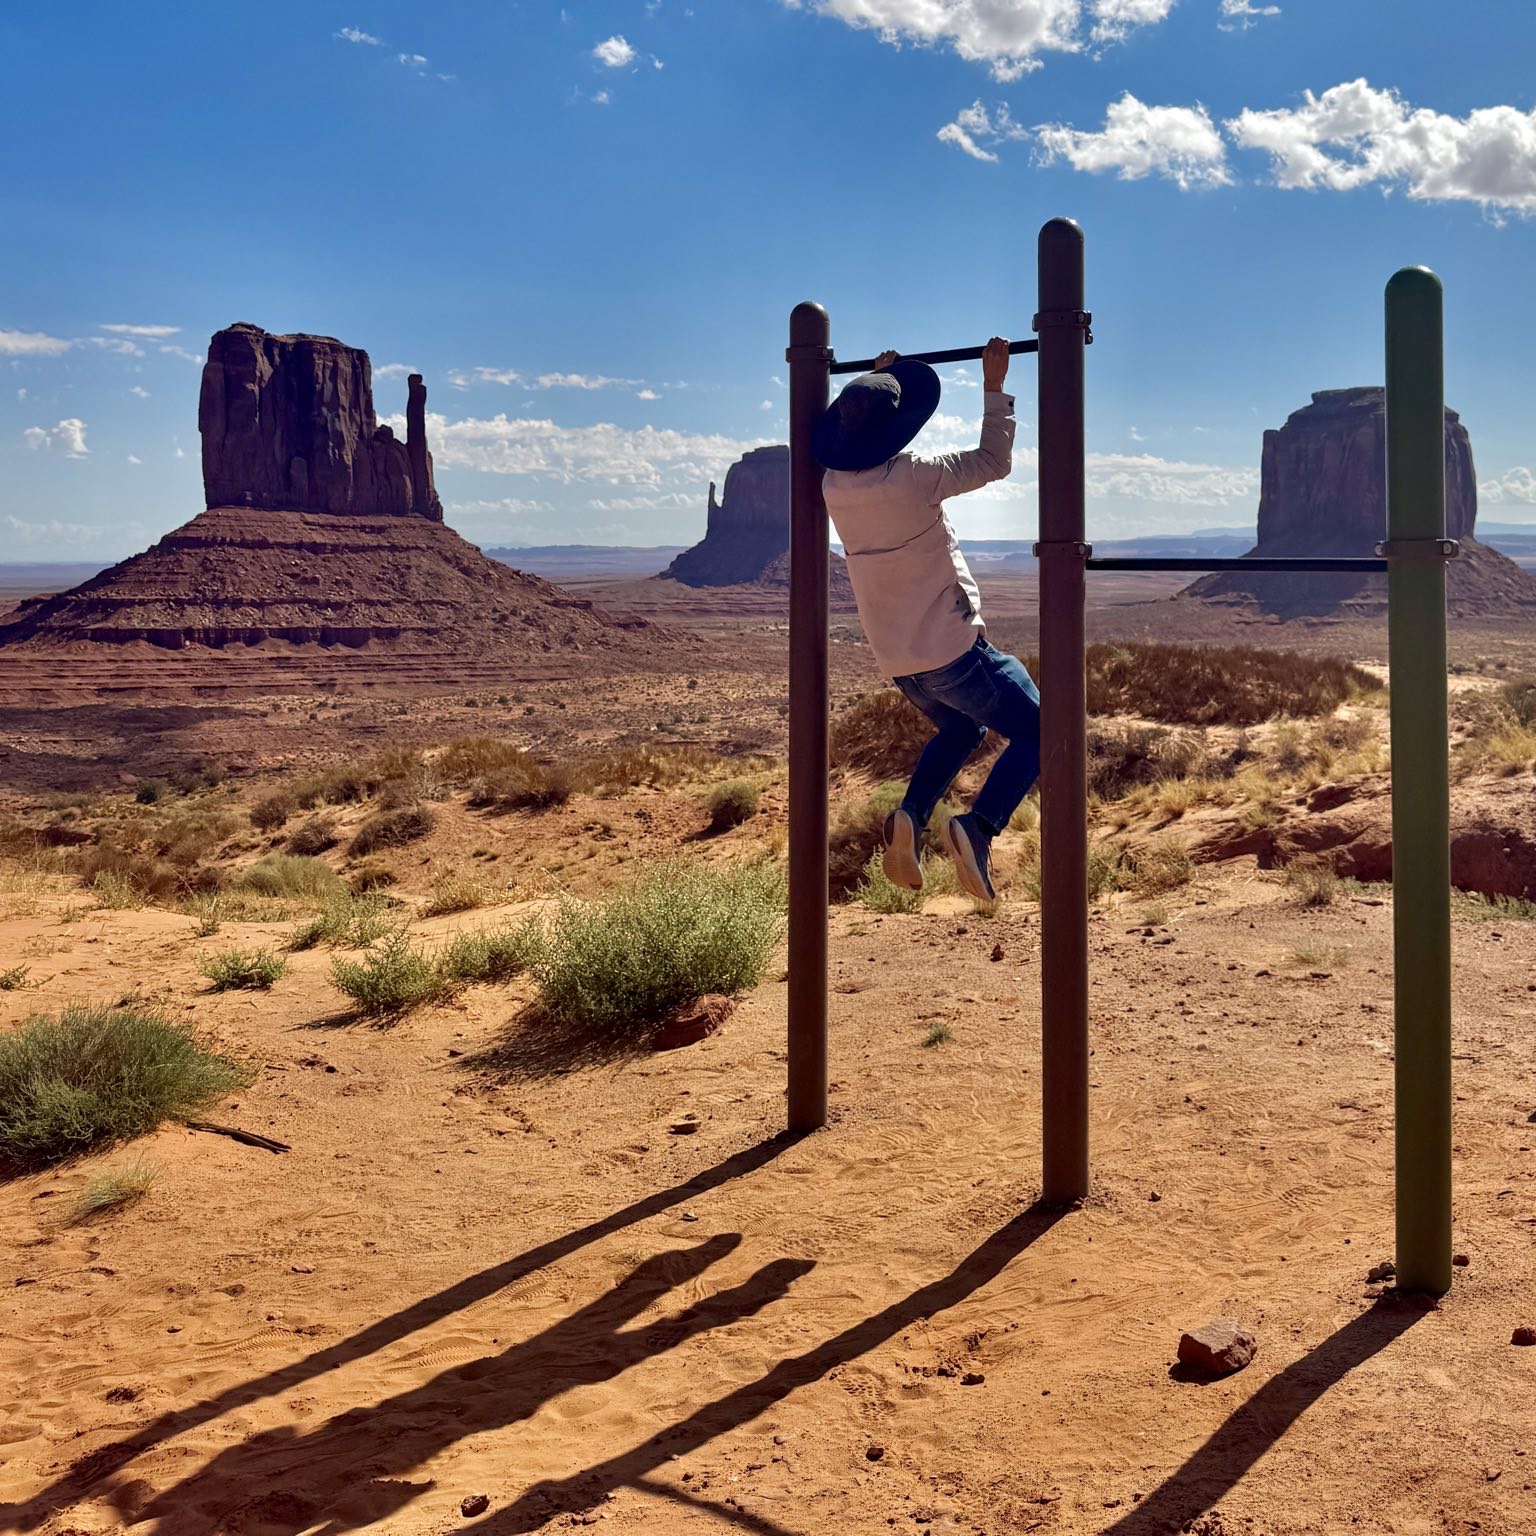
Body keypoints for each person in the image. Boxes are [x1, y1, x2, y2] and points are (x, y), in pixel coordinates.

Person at [816, 337, 1040, 902]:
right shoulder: (917, 476)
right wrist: (994, 387)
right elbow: (993, 462)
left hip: (900, 663)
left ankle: (911, 817)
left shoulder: (833, 487)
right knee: (1046, 728)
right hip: (954, 651)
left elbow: (876, 442)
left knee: (963, 729)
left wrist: (880, 385)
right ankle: (980, 826)